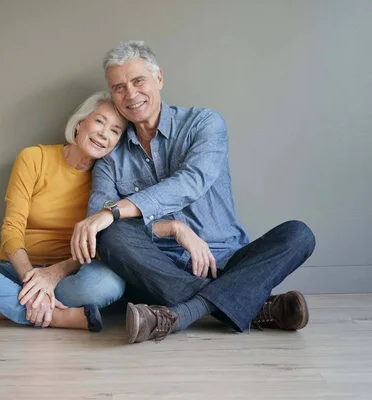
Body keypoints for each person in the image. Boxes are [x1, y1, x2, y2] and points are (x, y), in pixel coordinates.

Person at [70, 41, 316, 343]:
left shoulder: (204, 123)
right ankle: (254, 306)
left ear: (158, 78)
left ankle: (180, 314)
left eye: (138, 81)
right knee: (109, 233)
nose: (131, 95)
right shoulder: (111, 154)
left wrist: (116, 210)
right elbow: (99, 213)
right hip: (157, 269)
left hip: (226, 258)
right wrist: (173, 228)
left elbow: (191, 181)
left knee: (299, 235)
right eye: (119, 87)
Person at [0, 91, 127, 332]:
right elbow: (12, 228)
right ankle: (56, 316)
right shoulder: (34, 157)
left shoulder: (109, 181)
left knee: (109, 283)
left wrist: (52, 275)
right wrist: (31, 279)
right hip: (15, 270)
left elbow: (96, 245)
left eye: (115, 131)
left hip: (65, 278)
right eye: (99, 121)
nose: (104, 134)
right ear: (80, 123)